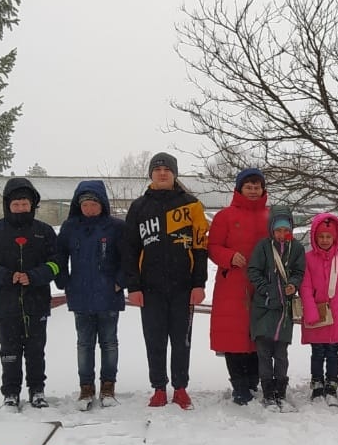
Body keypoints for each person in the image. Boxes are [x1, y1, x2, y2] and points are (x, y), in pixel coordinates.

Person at [122, 152, 209, 410]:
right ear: (151, 174)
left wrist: (199, 283)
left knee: (182, 340)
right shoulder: (139, 207)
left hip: (184, 288)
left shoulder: (192, 205)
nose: (162, 173)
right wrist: (133, 286)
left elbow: (200, 247)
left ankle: (180, 388)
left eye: (167, 169)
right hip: (150, 289)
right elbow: (129, 249)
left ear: (174, 174)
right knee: (155, 340)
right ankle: (159, 388)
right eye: (157, 169)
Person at [0, 177, 60, 411]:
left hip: (37, 303)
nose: (21, 208)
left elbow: (56, 264)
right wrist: (4, 275)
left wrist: (34, 276)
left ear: (32, 204)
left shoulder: (44, 231)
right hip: (6, 305)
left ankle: (37, 390)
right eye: (16, 204)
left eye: (25, 204)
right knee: (9, 351)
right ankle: (11, 393)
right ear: (7, 205)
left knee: (35, 350)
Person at [55, 180, 126, 411]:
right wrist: (63, 280)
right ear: (78, 205)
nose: (89, 209)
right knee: (84, 344)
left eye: (93, 204)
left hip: (108, 294)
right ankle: (86, 388)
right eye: (84, 204)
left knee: (109, 343)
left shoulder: (116, 227)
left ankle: (108, 386)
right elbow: (59, 256)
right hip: (81, 294)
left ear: (102, 204)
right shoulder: (70, 227)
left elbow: (128, 258)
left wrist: (120, 281)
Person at [208, 168, 270, 405]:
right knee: (234, 335)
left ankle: (254, 381)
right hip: (233, 283)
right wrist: (229, 256)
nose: (253, 191)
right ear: (239, 189)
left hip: (263, 284)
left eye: (257, 187)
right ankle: (239, 384)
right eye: (249, 187)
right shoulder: (225, 216)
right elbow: (212, 246)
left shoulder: (270, 216)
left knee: (258, 334)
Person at [247, 206, 306, 410]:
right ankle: (267, 391)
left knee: (281, 355)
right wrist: (266, 289)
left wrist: (294, 284)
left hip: (284, 311)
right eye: (278, 230)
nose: (282, 235)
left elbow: (299, 271)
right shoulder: (263, 247)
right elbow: (253, 270)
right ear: (271, 230)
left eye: (286, 230)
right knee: (263, 354)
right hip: (264, 309)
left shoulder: (296, 249)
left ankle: (280, 390)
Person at [301, 213, 338, 403]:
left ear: (335, 238)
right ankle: (317, 383)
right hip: (317, 316)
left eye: (328, 237)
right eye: (321, 237)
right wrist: (310, 311)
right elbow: (305, 287)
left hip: (337, 316)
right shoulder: (308, 259)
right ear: (314, 238)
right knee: (317, 352)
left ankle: (332, 384)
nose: (325, 240)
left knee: (333, 353)